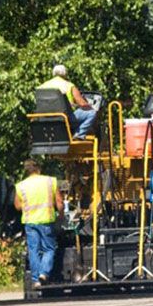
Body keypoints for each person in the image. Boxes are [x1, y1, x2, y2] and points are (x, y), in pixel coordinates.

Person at [14, 159, 64, 287]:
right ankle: (44, 273)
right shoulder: (50, 181)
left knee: (33, 251)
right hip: (46, 220)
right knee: (49, 249)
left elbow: (17, 206)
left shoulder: (21, 185)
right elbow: (59, 202)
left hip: (30, 222)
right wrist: (61, 216)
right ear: (39, 169)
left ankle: (36, 280)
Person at [37, 64, 98, 139]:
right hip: (65, 118)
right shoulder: (69, 85)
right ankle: (79, 134)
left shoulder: (42, 86)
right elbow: (82, 104)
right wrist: (91, 106)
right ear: (65, 73)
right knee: (91, 113)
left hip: (44, 119)